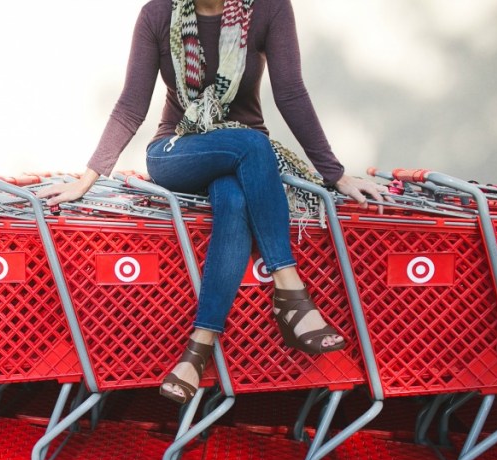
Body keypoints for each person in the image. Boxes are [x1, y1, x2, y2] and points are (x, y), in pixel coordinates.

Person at [37, 0, 387, 404]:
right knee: (253, 146)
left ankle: (198, 348)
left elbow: (290, 93)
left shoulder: (269, 9)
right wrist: (89, 177)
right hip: (177, 148)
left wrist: (335, 173)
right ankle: (290, 293)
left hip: (242, 152)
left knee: (235, 198)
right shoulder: (158, 14)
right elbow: (132, 104)